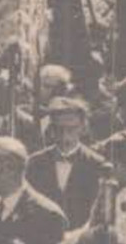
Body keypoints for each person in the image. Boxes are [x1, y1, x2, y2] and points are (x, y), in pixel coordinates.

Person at [26, 97, 111, 229]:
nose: (65, 136)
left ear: (83, 128)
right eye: (59, 129)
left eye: (71, 129)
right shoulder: (34, 163)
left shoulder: (97, 165)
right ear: (51, 129)